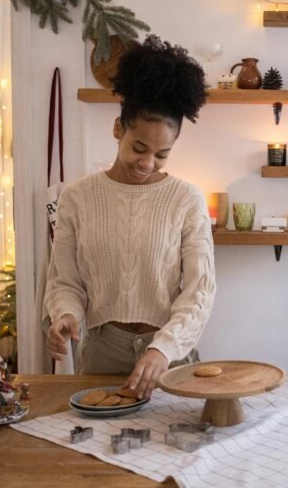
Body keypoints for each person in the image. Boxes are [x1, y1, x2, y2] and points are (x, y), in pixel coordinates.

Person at [44, 35, 215, 400]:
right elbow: (65, 281)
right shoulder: (76, 198)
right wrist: (66, 316)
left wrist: (163, 347)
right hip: (103, 355)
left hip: (170, 356)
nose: (147, 163)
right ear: (118, 128)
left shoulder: (186, 199)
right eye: (139, 147)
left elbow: (199, 290)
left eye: (161, 154)